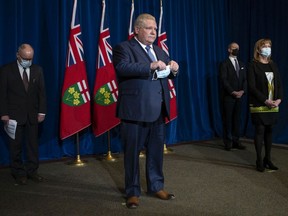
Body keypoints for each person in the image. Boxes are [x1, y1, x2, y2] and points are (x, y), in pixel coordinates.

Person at [112, 13, 179, 209]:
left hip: (158, 109)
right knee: (132, 153)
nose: (153, 32)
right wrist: (149, 65)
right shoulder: (123, 48)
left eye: (155, 28)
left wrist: (174, 69)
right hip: (134, 111)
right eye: (149, 28)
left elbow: (167, 73)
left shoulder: (159, 50)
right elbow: (122, 67)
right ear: (137, 30)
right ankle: (132, 192)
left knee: (156, 151)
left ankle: (156, 185)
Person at [0, 44, 47, 185]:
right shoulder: (6, 70)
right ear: (17, 55)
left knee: (33, 146)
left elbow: (42, 93)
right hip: (13, 116)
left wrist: (42, 112)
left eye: (30, 58)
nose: (28, 61)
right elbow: (2, 94)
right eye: (25, 58)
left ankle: (33, 171)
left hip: (32, 115)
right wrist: (4, 114)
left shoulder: (38, 70)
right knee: (16, 147)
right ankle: (19, 172)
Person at [247, 38, 283, 172]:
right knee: (260, 131)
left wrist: (279, 99)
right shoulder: (253, 65)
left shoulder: (273, 65)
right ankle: (259, 159)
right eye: (265, 46)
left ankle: (268, 159)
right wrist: (265, 100)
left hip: (273, 105)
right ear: (258, 49)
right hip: (259, 104)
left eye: (269, 46)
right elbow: (251, 87)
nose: (268, 48)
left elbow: (279, 83)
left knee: (269, 131)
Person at [219, 42, 247, 151]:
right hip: (228, 96)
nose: (236, 50)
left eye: (238, 48)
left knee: (237, 119)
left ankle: (236, 140)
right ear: (229, 50)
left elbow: (245, 80)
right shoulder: (224, 64)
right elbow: (224, 80)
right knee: (228, 119)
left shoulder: (242, 64)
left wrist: (242, 91)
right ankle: (228, 141)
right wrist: (233, 92)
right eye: (234, 48)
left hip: (240, 96)